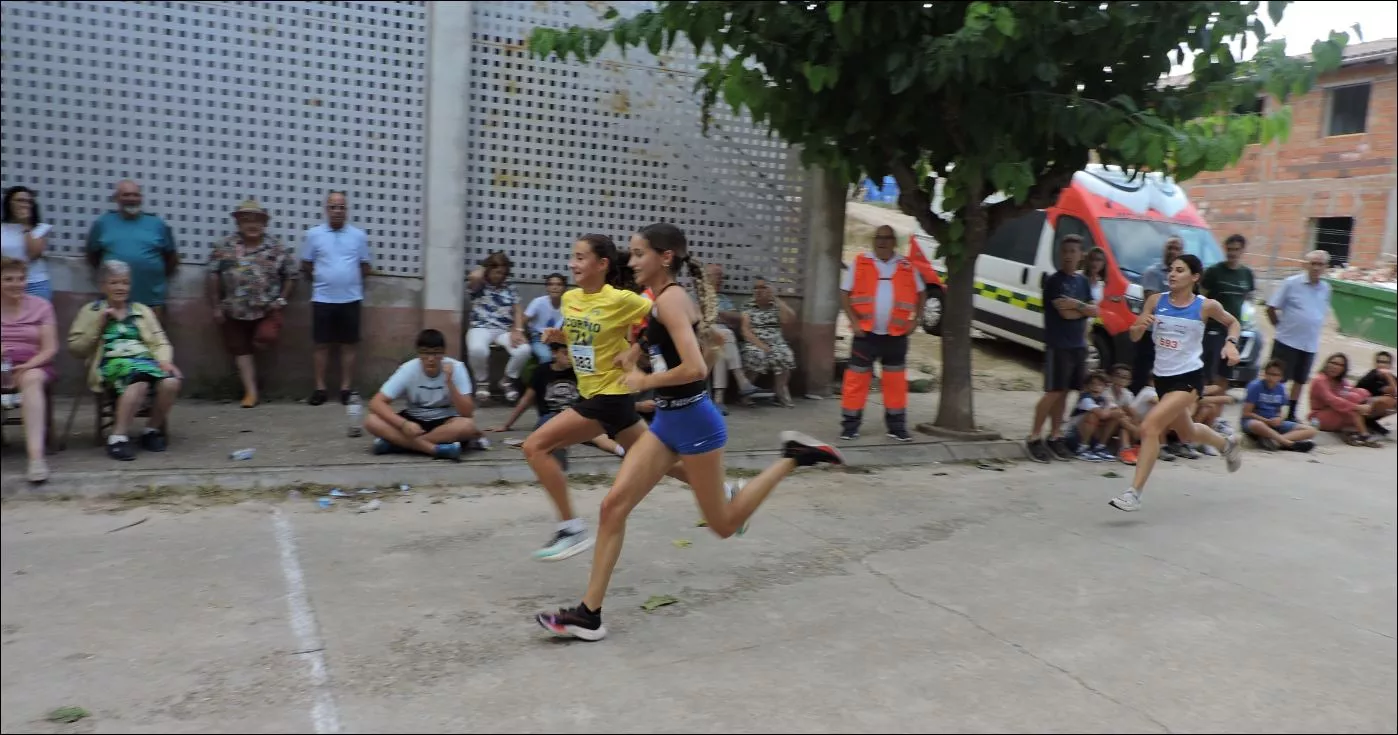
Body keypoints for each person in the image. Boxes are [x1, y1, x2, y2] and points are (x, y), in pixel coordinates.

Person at [534, 223, 844, 642]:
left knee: (724, 525)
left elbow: (696, 367)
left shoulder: (674, 299)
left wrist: (643, 382)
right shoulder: (660, 299)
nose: (631, 261)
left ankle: (792, 457)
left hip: (695, 421)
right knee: (612, 508)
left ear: (665, 258)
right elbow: (663, 338)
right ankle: (590, 614)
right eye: (631, 253)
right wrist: (634, 353)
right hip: (668, 421)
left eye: (639, 253)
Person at [521, 234, 700, 562]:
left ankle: (571, 529)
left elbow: (665, 319)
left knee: (535, 447)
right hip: (597, 394)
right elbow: (581, 335)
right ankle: (723, 492)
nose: (573, 264)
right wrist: (558, 335)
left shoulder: (622, 300)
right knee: (661, 463)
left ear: (602, 265)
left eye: (580, 258)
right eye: (572, 257)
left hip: (609, 396)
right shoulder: (571, 298)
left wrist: (636, 350)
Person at [1109, 254, 1243, 513]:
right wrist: (1140, 325)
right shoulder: (1155, 301)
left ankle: (1134, 493)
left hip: (1189, 379)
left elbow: (1233, 322)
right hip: (1162, 378)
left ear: (1194, 277)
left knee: (1150, 426)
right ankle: (1227, 445)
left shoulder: (1206, 306)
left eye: (1179, 270)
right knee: (1187, 433)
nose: (1171, 274)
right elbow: (1135, 336)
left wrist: (1231, 343)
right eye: (1170, 270)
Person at [67, 260, 183, 461]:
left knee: (171, 381)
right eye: (114, 283)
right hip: (111, 363)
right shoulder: (91, 311)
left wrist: (165, 361)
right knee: (138, 380)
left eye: (125, 283)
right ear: (103, 286)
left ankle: (151, 431)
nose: (121, 288)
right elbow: (75, 347)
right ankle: (118, 438)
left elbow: (161, 342)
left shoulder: (142, 311)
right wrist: (98, 326)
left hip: (145, 361)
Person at [206, 199, 299, 408]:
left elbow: (292, 275)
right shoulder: (225, 247)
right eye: (246, 220)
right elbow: (212, 274)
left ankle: (257, 373)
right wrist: (216, 305)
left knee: (264, 338)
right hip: (234, 309)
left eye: (256, 220)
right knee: (240, 350)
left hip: (266, 309)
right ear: (238, 223)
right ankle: (251, 392)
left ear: (264, 223)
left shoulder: (276, 249)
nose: (252, 225)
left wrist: (281, 299)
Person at [839, 225, 926, 441]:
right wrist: (853, 322)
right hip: (865, 336)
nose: (882, 242)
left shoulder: (906, 266)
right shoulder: (860, 262)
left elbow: (922, 293)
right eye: (879, 237)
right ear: (873, 240)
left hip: (895, 336)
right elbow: (844, 294)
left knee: (895, 384)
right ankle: (850, 427)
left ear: (894, 242)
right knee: (856, 382)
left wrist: (916, 320)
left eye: (887, 238)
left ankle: (897, 428)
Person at [487, 341, 626, 464]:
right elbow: (526, 400)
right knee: (552, 430)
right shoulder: (542, 371)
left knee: (597, 434)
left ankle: (622, 451)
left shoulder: (579, 371)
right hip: (551, 416)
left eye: (572, 353)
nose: (569, 357)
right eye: (565, 353)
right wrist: (506, 425)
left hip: (576, 414)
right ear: (554, 353)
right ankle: (558, 455)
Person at [1026, 235, 1096, 462]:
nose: (1068, 255)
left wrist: (1076, 305)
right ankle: (1034, 436)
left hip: (1078, 344)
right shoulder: (1054, 281)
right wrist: (1082, 310)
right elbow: (1064, 313)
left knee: (1065, 393)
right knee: (1054, 391)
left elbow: (1095, 311)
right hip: (1059, 344)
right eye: (1064, 251)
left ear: (1080, 255)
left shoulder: (1083, 282)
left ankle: (1055, 436)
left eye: (1073, 251)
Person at [363, 329, 483, 461]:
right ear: (419, 353)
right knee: (371, 420)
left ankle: (398, 445)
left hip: (444, 421)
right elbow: (376, 403)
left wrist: (450, 382)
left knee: (467, 426)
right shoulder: (408, 369)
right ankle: (434, 449)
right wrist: (403, 424)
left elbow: (467, 413)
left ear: (443, 353)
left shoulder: (457, 368)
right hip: (413, 420)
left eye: (436, 353)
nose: (430, 359)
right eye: (425, 353)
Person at [302, 191, 371, 406]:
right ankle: (320, 388)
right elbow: (306, 263)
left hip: (350, 298)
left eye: (342, 207)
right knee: (321, 345)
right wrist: (324, 278)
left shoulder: (358, 236)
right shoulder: (314, 235)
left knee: (348, 345)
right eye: (333, 207)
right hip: (323, 298)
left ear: (347, 210)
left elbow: (365, 266)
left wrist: (346, 280)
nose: (338, 211)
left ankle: (345, 389)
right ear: (326, 209)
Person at [85, 180, 179, 320]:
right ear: (116, 198)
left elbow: (171, 256)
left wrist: (152, 273)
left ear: (141, 198)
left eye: (136, 195)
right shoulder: (103, 223)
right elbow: (92, 255)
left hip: (151, 300)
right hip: (113, 300)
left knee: (152, 340)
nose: (131, 199)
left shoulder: (157, 224)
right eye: (126, 195)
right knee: (114, 339)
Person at [1, 257, 58, 481]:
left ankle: (36, 459)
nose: (16, 284)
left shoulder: (41, 306)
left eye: (21, 278)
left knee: (32, 379)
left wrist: (27, 366)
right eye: (8, 279)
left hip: (34, 362)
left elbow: (50, 348)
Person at [1266, 250, 1332, 422]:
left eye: (1321, 264)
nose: (1316, 267)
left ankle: (1291, 414)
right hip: (1287, 340)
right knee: (1278, 377)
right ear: (1305, 264)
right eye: (1313, 263)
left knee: (1300, 380)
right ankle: (1271, 411)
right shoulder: (1291, 283)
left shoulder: (1326, 288)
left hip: (1309, 343)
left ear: (1326, 267)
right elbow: (1271, 307)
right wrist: (1279, 327)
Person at [466, 252, 532, 403]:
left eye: (503, 272)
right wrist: (486, 266)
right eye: (496, 272)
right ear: (488, 270)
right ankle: (482, 382)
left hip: (504, 330)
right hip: (480, 328)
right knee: (477, 349)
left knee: (524, 350)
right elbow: (475, 276)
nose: (500, 275)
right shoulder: (479, 285)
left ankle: (507, 380)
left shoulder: (510, 287)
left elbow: (517, 310)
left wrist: (518, 330)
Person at [704, 263, 764, 409]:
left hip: (720, 339)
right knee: (724, 335)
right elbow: (697, 317)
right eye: (717, 276)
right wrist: (721, 317)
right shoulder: (696, 295)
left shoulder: (724, 298)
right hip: (703, 336)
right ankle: (741, 381)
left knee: (721, 344)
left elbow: (737, 317)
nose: (721, 279)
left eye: (722, 277)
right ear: (706, 278)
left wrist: (718, 315)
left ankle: (719, 400)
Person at [1200, 234, 1255, 390]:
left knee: (1225, 373)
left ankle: (1216, 411)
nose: (1232, 253)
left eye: (1236, 249)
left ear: (1242, 250)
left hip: (1233, 331)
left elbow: (1248, 299)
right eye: (1230, 249)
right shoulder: (1214, 272)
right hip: (1213, 329)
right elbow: (1201, 299)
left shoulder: (1247, 274)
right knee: (1207, 373)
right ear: (1225, 249)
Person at [1130, 237, 1183, 394]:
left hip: (1172, 336)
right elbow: (1153, 304)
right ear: (1164, 250)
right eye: (1170, 247)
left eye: (1177, 248)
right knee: (1141, 375)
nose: (1173, 251)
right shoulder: (1152, 273)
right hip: (1150, 333)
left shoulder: (1184, 277)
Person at [1308, 353, 1393, 448]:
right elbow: (1333, 400)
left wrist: (1368, 403)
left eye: (1340, 365)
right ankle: (1363, 434)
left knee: (1360, 394)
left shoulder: (1341, 381)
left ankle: (1354, 430)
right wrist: (1358, 407)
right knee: (1353, 402)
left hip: (1337, 412)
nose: (1335, 367)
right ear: (1327, 364)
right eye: (1333, 363)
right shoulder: (1320, 380)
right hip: (1319, 417)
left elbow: (1358, 391)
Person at [738, 277, 798, 407]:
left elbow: (788, 319)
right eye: (756, 288)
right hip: (754, 343)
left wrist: (775, 298)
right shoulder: (748, 305)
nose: (758, 291)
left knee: (785, 354)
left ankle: (780, 391)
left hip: (777, 342)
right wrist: (762, 346)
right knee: (756, 355)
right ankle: (746, 393)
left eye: (763, 287)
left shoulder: (776, 305)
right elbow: (745, 331)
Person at [1240, 359, 1317, 452]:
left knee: (1311, 430)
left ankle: (1275, 441)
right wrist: (1266, 421)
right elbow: (1246, 413)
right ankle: (1289, 444)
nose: (1271, 377)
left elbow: (1279, 410)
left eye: (1275, 375)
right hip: (1255, 421)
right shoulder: (1255, 386)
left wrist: (1279, 418)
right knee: (1258, 425)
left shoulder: (1281, 388)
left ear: (1281, 377)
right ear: (1265, 373)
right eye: (1269, 374)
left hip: (1273, 422)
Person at [1, 186, 53, 300]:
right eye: (20, 200)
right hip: (6, 283)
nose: (25, 204)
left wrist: (24, 225)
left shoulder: (41, 228)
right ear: (9, 203)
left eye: (29, 201)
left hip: (35, 284)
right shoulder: (2, 228)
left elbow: (33, 254)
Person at [1065, 371, 1120, 462]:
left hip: (1092, 435)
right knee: (1092, 415)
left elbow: (1119, 412)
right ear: (1087, 386)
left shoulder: (1102, 399)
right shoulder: (1085, 399)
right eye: (1093, 384)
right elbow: (1101, 414)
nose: (1095, 387)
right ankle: (1082, 448)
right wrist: (1108, 408)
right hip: (1074, 436)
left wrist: (1109, 409)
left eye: (1100, 385)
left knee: (1115, 418)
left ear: (1104, 388)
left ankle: (1100, 446)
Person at [524, 273, 567, 364]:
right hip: (538, 338)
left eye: (559, 284)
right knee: (546, 356)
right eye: (551, 284)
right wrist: (526, 336)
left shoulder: (568, 304)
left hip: (558, 339)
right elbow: (523, 320)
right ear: (547, 288)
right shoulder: (538, 302)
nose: (554, 287)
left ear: (564, 288)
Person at [1353, 351, 1396, 439]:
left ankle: (1374, 423)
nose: (1381, 365)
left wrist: (1389, 377)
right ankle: (1365, 432)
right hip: (1362, 409)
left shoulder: (1392, 378)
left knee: (1392, 401)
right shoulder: (1371, 376)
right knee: (1388, 400)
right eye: (1379, 362)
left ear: (1390, 365)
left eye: (1385, 362)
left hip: (1375, 409)